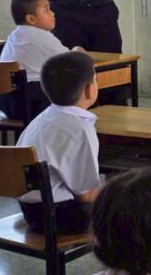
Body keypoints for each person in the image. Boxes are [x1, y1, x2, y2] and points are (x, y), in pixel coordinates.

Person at [17, 51, 100, 234]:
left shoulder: (40, 119)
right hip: (61, 215)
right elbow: (86, 196)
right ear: (89, 89)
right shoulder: (80, 129)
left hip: (31, 211)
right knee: (127, 200)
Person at [0, 0, 82, 120]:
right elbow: (71, 60)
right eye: (47, 10)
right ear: (31, 19)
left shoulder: (13, 36)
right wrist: (77, 50)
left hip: (7, 103)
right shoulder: (43, 37)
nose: (53, 13)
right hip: (35, 103)